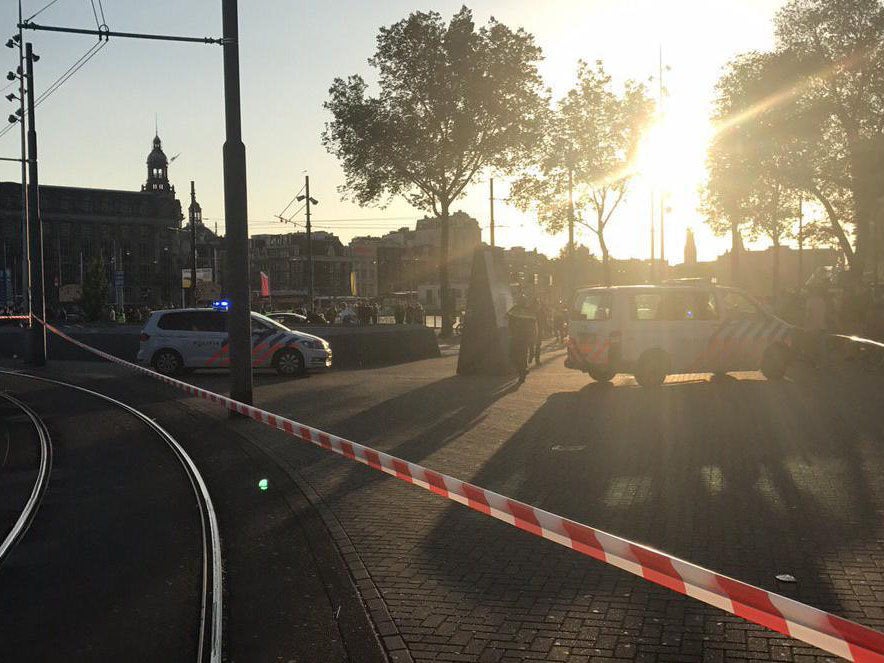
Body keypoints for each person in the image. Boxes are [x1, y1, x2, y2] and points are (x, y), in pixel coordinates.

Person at [507, 294, 536, 383]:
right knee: (523, 354)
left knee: (514, 354)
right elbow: (533, 323)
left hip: (516, 336)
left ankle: (521, 370)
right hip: (525, 336)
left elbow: (506, 316)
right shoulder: (529, 310)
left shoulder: (515, 309)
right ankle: (523, 370)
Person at [805, 285, 830, 367]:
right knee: (821, 346)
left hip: (812, 327)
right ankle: (823, 362)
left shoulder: (809, 301)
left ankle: (814, 362)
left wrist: (805, 324)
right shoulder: (822, 301)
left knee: (812, 346)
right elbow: (825, 314)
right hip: (822, 326)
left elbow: (808, 315)